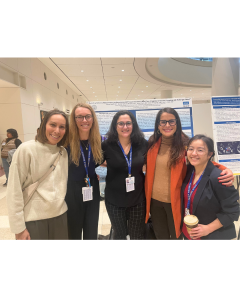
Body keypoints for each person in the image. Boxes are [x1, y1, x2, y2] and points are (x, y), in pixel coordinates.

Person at [145, 107, 234, 240]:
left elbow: (199, 159)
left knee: (177, 236)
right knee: (161, 236)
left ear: (177, 123)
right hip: (154, 201)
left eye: (171, 121)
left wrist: (224, 169)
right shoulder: (152, 143)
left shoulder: (185, 144)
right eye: (163, 122)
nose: (167, 125)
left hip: (176, 201)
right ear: (158, 125)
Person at [6, 110, 69, 240]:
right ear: (43, 125)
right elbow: (14, 190)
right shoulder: (26, 149)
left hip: (60, 216)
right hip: (34, 219)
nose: (57, 130)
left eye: (62, 127)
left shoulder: (63, 153)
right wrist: (18, 228)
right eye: (53, 125)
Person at [181, 135, 239, 240]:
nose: (194, 153)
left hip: (210, 236)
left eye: (200, 150)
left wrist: (208, 228)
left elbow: (233, 211)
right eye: (191, 149)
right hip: (189, 233)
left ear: (209, 154)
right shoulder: (188, 171)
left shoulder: (219, 177)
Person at [102, 110, 148, 239]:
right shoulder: (106, 145)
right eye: (121, 123)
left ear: (133, 125)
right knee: (120, 236)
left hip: (138, 199)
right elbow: (95, 161)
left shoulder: (142, 144)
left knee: (137, 235)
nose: (125, 127)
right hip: (114, 200)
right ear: (115, 126)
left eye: (128, 123)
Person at [65, 103, 102, 240]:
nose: (84, 121)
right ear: (74, 120)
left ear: (93, 118)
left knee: (91, 229)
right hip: (72, 189)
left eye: (88, 116)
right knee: (73, 231)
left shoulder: (97, 140)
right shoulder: (66, 142)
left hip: (92, 186)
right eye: (79, 117)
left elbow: (99, 161)